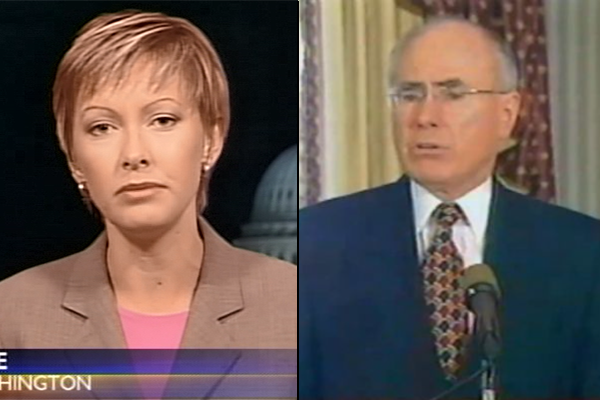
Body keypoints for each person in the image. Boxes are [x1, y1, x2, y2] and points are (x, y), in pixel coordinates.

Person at [300, 16, 600, 399]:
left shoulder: (582, 251)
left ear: (507, 114)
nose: (425, 118)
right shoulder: (318, 241)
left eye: (453, 94)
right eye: (409, 94)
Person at [0, 10, 296, 350]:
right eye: (102, 127)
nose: (134, 154)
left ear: (211, 139)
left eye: (162, 120)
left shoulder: (294, 305)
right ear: (73, 158)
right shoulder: (13, 316)